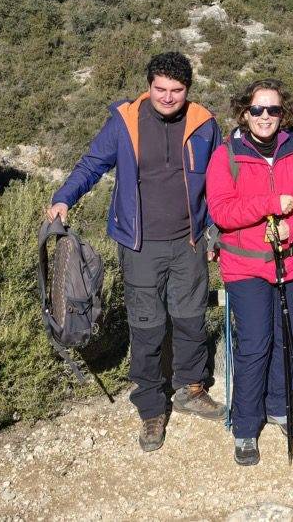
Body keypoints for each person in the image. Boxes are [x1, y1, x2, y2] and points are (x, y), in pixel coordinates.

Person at [48, 52, 224, 452]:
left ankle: (191, 388)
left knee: (191, 319)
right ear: (148, 87)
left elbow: (218, 181)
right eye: (160, 89)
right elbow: (92, 163)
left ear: (188, 91)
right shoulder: (125, 122)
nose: (167, 97)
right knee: (147, 327)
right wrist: (64, 197)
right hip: (140, 244)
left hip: (189, 242)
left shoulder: (204, 123)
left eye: (176, 90)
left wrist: (217, 230)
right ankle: (150, 408)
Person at [205, 79, 293, 465]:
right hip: (245, 265)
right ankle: (245, 426)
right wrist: (270, 204)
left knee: (287, 337)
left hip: (290, 261)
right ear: (244, 112)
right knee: (256, 342)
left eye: (273, 110)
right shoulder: (226, 156)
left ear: (282, 114)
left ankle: (278, 407)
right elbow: (222, 212)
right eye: (257, 109)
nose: (265, 117)